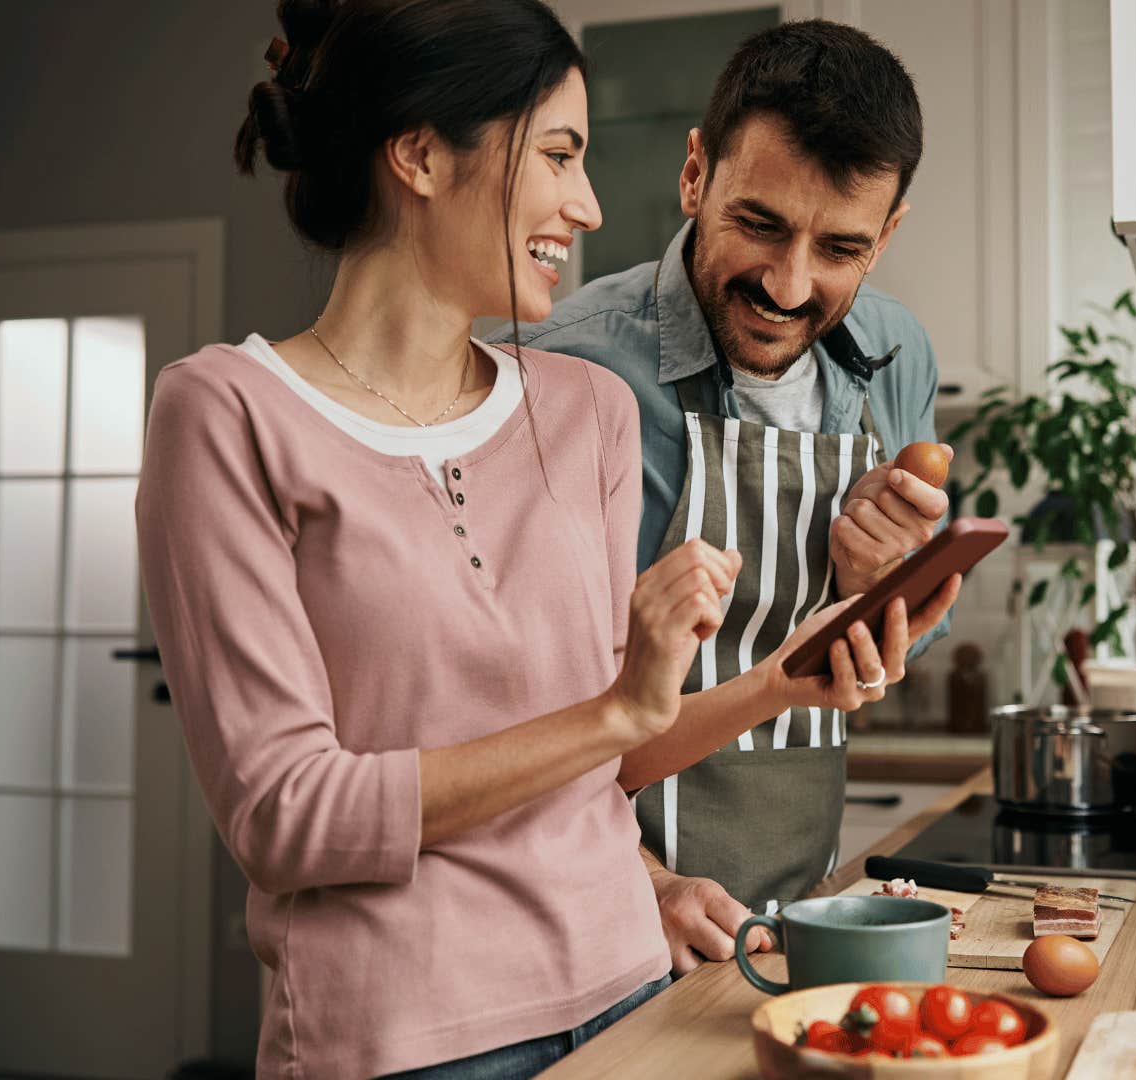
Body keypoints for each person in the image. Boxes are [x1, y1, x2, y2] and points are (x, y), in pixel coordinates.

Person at [135, 3, 945, 1076]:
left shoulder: (580, 409)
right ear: (420, 154)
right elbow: (287, 817)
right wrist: (620, 712)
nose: (593, 205)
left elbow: (602, 758)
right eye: (560, 153)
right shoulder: (227, 413)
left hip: (633, 997)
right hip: (406, 1037)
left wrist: (794, 674)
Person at [510, 20, 959, 974]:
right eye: (760, 224)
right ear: (695, 175)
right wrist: (646, 882)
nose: (789, 285)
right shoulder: (565, 367)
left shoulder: (896, 356)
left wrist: (887, 591)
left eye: (840, 246)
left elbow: (881, 664)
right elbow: (516, 715)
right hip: (608, 920)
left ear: (887, 235)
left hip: (807, 913)